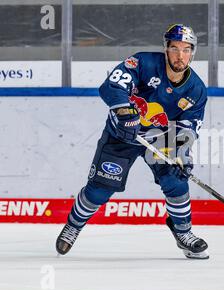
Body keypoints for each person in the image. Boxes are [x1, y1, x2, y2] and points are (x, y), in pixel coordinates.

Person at [56, 24, 209, 259]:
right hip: (122, 135)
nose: (180, 55)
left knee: (176, 182)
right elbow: (113, 86)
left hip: (159, 140)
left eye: (187, 49)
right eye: (175, 48)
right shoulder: (142, 63)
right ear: (166, 49)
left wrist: (181, 151)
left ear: (193, 52)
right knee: (99, 191)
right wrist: (125, 111)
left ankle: (184, 233)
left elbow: (189, 126)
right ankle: (73, 226)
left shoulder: (196, 89)